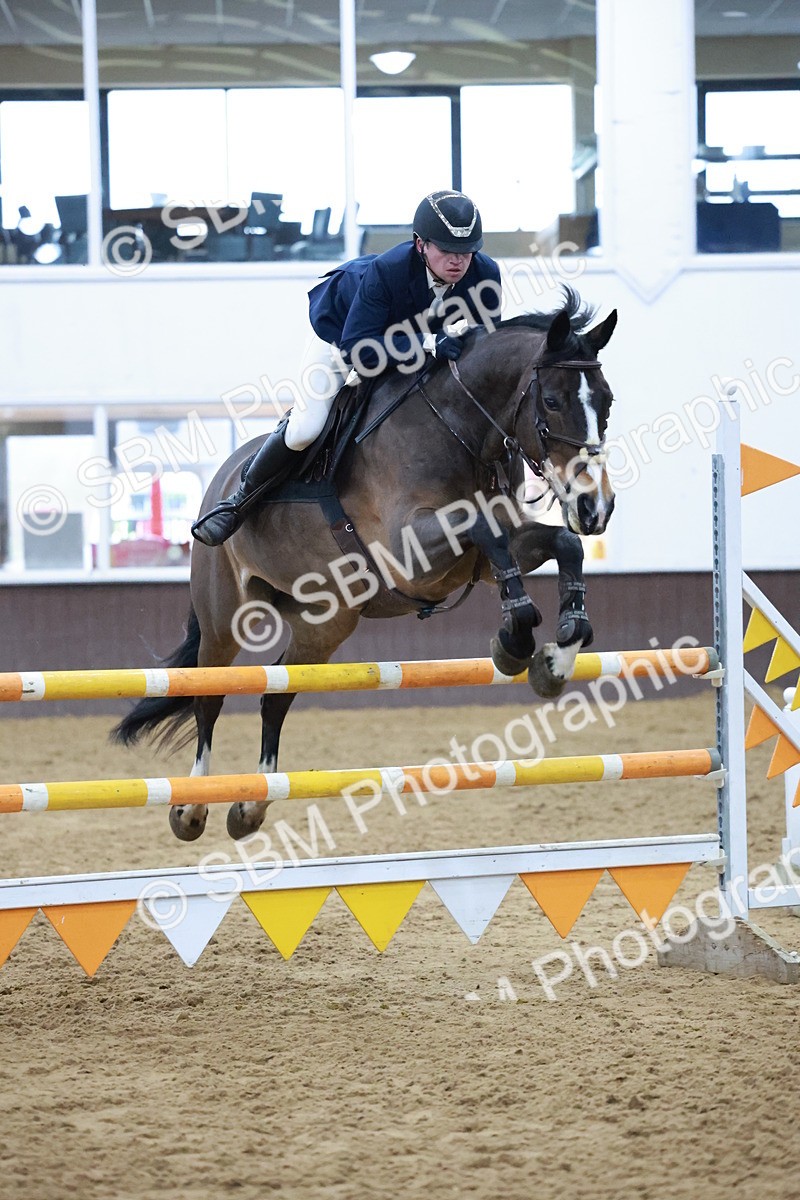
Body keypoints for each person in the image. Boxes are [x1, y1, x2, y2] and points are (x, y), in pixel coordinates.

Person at [192, 190, 502, 547]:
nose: (458, 261)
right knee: (306, 428)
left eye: (466, 251)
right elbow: (360, 350)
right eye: (447, 250)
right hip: (345, 337)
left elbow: (487, 347)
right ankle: (238, 502)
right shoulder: (387, 271)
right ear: (420, 245)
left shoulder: (484, 273)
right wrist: (429, 342)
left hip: (409, 345)